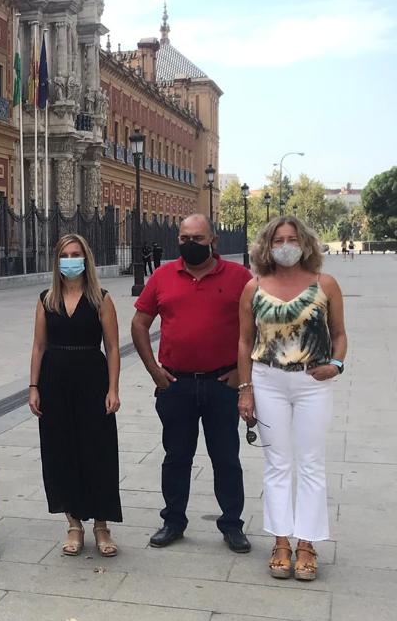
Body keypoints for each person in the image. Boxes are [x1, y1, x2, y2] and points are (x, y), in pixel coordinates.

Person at [131, 214, 253, 553]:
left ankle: (232, 524)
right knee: (176, 456)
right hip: (176, 385)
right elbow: (139, 324)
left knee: (226, 456)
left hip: (222, 383)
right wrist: (154, 370)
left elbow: (257, 328)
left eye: (198, 238)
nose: (190, 244)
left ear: (213, 240)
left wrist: (244, 375)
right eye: (184, 238)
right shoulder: (163, 276)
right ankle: (173, 521)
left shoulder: (240, 278)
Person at [237, 217, 347, 581]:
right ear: (266, 247)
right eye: (278, 240)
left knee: (311, 463)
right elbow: (243, 342)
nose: (286, 246)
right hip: (268, 381)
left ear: (306, 244)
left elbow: (340, 335)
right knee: (278, 463)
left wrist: (336, 365)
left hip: (312, 382)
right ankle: (281, 541)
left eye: (292, 239)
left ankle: (307, 542)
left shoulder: (325, 285)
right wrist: (246, 389)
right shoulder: (254, 288)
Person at [28, 234, 122, 557]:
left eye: (76, 254)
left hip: (91, 379)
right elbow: (39, 346)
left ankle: (101, 524)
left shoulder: (101, 299)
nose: (71, 260)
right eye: (65, 255)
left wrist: (113, 389)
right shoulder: (46, 300)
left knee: (98, 451)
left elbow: (112, 347)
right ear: (57, 261)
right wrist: (33, 387)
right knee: (61, 451)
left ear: (86, 259)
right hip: (55, 381)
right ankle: (73, 523)